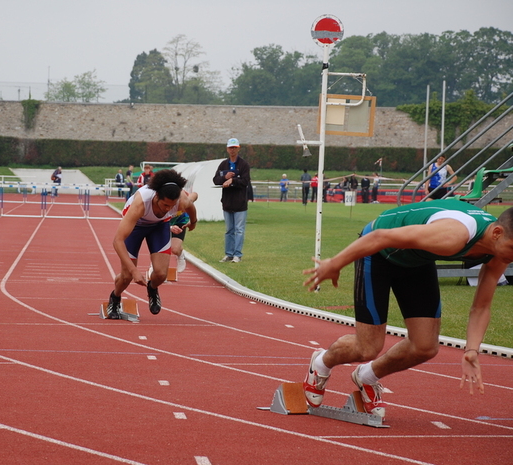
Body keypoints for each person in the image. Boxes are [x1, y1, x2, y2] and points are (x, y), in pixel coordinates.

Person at [301, 199, 513, 419]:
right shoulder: (454, 235)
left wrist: (471, 350)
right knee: (367, 348)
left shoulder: (499, 251)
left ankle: (367, 377)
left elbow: (481, 306)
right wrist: (334, 264)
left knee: (425, 347)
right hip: (379, 252)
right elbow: (379, 237)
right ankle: (320, 363)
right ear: (497, 233)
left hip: (417, 261)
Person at [106, 169, 197, 319]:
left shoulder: (180, 200)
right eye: (164, 205)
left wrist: (193, 222)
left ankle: (152, 288)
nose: (167, 209)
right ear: (156, 197)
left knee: (161, 274)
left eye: (171, 206)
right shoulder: (141, 203)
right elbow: (117, 241)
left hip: (159, 226)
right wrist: (134, 270)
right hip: (136, 226)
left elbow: (191, 207)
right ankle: (115, 297)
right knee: (127, 276)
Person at [213, 138, 251, 263]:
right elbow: (215, 180)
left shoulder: (244, 165)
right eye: (230, 148)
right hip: (227, 202)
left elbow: (245, 181)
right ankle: (228, 254)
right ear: (227, 149)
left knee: (239, 230)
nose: (232, 150)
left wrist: (233, 180)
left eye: (235, 148)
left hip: (240, 203)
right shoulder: (223, 164)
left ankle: (237, 254)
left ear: (238, 148)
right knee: (229, 230)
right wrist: (225, 177)